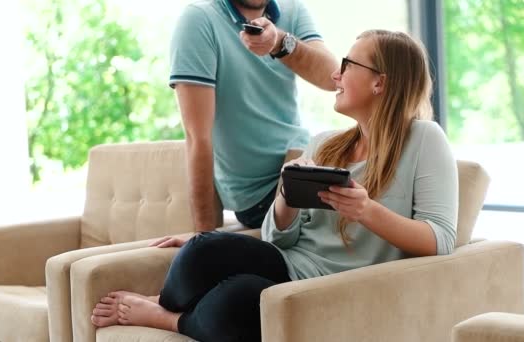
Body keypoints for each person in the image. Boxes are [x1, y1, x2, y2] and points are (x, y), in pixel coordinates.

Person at [90, 30, 459, 342]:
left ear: (381, 81)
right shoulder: (326, 144)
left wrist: (366, 210)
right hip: (289, 264)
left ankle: (168, 317)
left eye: (347, 65)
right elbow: (278, 240)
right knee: (202, 249)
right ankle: (174, 302)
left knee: (238, 299)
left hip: (341, 284)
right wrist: (287, 196)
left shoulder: (424, 139)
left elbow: (441, 240)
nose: (336, 75)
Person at [170, 0, 338, 233]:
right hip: (260, 195)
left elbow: (331, 78)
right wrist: (204, 237)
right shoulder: (199, 20)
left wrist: (279, 42)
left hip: (303, 158)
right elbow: (198, 137)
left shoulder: (293, 11)